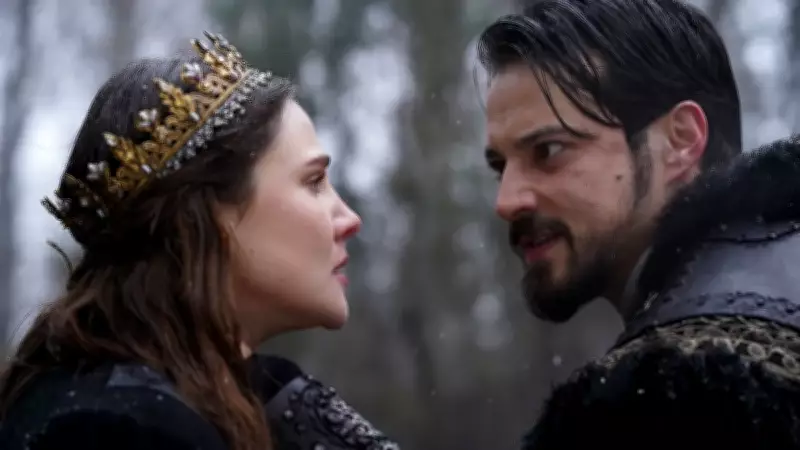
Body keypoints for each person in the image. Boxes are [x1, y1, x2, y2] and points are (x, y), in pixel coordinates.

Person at [0, 32, 399, 450]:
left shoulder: (261, 406)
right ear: (209, 215)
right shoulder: (109, 430)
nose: (350, 219)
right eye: (313, 181)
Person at [478, 0, 800, 448]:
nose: (507, 201)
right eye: (501, 167)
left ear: (680, 140)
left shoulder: (679, 399)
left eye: (548, 151)